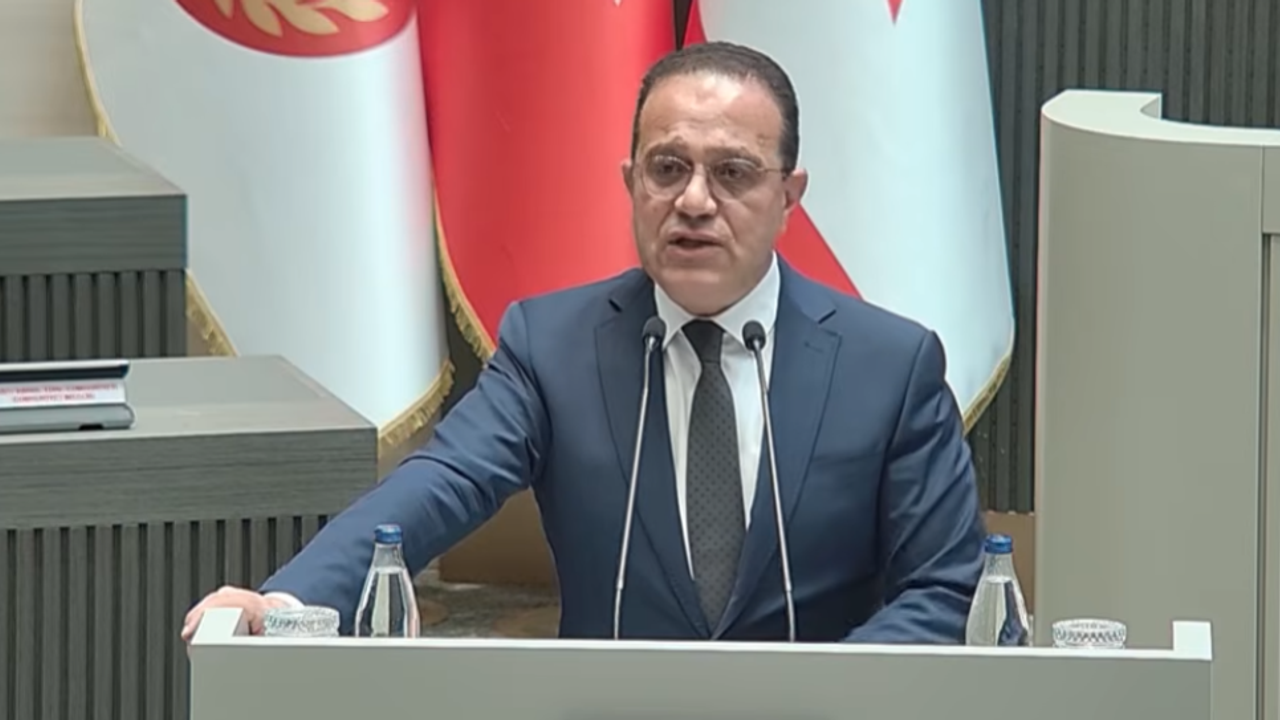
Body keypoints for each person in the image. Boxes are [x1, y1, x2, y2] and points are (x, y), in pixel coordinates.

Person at [182, 40, 986, 644]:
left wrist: (816, 698)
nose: (694, 201)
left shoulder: (889, 366)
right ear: (631, 183)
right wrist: (288, 602)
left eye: (733, 173)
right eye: (667, 168)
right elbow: (443, 482)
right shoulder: (553, 346)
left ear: (789, 196)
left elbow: (946, 589)